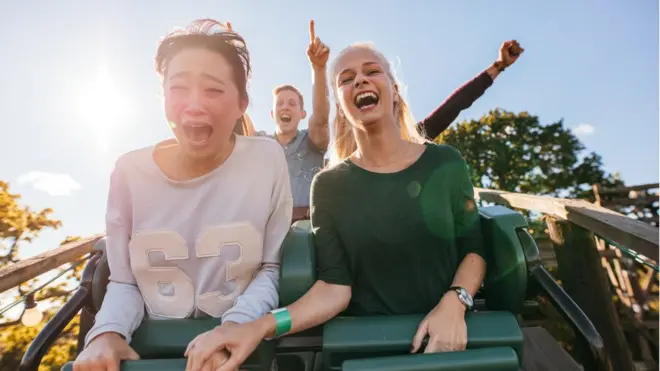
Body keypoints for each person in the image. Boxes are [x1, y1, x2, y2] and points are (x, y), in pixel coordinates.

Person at [182, 40, 487, 370]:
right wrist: (257, 327)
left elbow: (475, 249)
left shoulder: (445, 161)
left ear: (394, 90)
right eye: (346, 78)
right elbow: (334, 288)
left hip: (452, 344)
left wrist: (456, 302)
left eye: (372, 71)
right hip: (369, 351)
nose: (360, 80)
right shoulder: (328, 185)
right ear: (341, 105)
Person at [72, 19, 292, 371]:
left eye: (213, 90)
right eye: (178, 88)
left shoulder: (267, 159)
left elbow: (270, 267)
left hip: (240, 352)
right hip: (150, 351)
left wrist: (234, 327)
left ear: (242, 104)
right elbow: (125, 280)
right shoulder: (128, 172)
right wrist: (107, 333)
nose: (194, 105)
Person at [263, 20, 331, 222]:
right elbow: (236, 123)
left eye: (292, 104)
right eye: (280, 103)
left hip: (304, 227)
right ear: (272, 113)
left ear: (302, 113)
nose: (285, 107)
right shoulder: (260, 143)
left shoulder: (311, 141)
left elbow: (320, 118)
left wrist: (318, 69)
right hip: (264, 226)